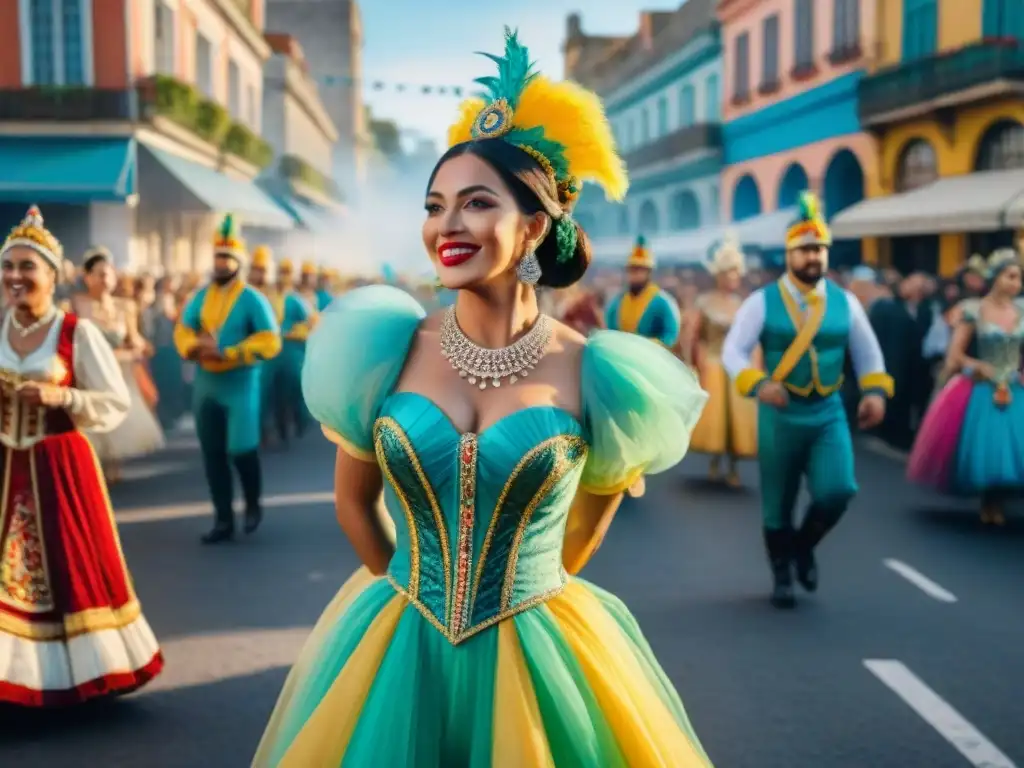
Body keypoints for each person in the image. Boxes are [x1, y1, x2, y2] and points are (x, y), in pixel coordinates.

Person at [252, 29, 713, 766]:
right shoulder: (383, 347)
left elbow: (582, 537)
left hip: (537, 648)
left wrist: (517, 598)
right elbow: (352, 502)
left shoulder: (598, 371)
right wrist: (405, 590)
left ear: (533, 226)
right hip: (401, 638)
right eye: (436, 206)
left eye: (474, 204)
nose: (446, 226)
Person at [0, 206, 162, 705]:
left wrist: (62, 397)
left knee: (68, 572)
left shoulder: (75, 332)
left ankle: (65, 678)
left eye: (27, 267)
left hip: (57, 465)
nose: (15, 277)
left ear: (52, 274)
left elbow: (113, 402)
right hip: (4, 464)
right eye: (8, 266)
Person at [722, 192, 892, 609]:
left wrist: (873, 391)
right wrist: (758, 383)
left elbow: (867, 352)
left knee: (839, 489)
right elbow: (733, 352)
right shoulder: (761, 302)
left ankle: (802, 546)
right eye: (805, 250)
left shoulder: (846, 302)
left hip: (828, 412)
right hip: (780, 414)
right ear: (789, 255)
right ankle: (781, 573)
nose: (813, 257)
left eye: (819, 249)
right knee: (776, 502)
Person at [174, 215, 281, 544]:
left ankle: (252, 503)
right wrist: (191, 348)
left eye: (227, 258)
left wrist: (233, 352)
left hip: (240, 382)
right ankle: (223, 519)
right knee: (212, 453)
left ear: (238, 263)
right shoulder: (201, 296)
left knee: (241, 449)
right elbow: (183, 327)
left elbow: (270, 339)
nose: (220, 263)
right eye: (217, 257)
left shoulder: (252, 299)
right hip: (207, 382)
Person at [907, 248, 1024, 525]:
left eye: (1018, 278)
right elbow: (954, 354)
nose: (1016, 283)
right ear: (995, 277)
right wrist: (979, 366)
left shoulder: (1021, 311)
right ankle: (990, 501)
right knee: (989, 447)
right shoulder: (974, 310)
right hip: (983, 388)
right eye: (1010, 276)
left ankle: (1000, 500)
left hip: (1014, 387)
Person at [74, 247, 165, 481]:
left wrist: (139, 347)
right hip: (88, 373)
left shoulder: (125, 307)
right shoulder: (77, 305)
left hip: (118, 371)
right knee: (91, 421)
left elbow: (134, 339)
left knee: (116, 420)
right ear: (87, 277)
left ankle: (113, 466)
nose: (105, 279)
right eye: (99, 274)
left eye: (109, 273)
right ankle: (94, 468)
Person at [684, 232, 758, 487]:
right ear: (719, 275)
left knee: (737, 422)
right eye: (728, 273)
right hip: (713, 365)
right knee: (717, 420)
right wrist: (696, 362)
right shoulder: (704, 302)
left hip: (735, 366)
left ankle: (733, 466)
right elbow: (694, 337)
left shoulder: (742, 303)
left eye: (736, 273)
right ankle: (716, 461)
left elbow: (750, 338)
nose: (733, 278)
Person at [867, 271, 934, 450]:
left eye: (919, 286)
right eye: (911, 283)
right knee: (892, 400)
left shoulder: (925, 309)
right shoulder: (885, 306)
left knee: (908, 402)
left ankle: (904, 434)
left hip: (914, 366)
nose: (914, 288)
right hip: (890, 361)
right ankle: (889, 434)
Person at [256, 249, 313, 446]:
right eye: (281, 271)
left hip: (291, 352)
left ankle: (299, 421)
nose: (283, 276)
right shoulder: (267, 299)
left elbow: (310, 326)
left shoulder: (297, 301)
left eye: (287, 272)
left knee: (293, 388)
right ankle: (265, 430)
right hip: (271, 354)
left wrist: (291, 332)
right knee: (265, 393)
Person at [604, 235, 681, 346]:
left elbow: (670, 334)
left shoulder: (662, 302)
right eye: (631, 270)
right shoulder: (617, 302)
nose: (634, 275)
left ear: (648, 272)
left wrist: (647, 346)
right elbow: (609, 331)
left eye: (638, 270)